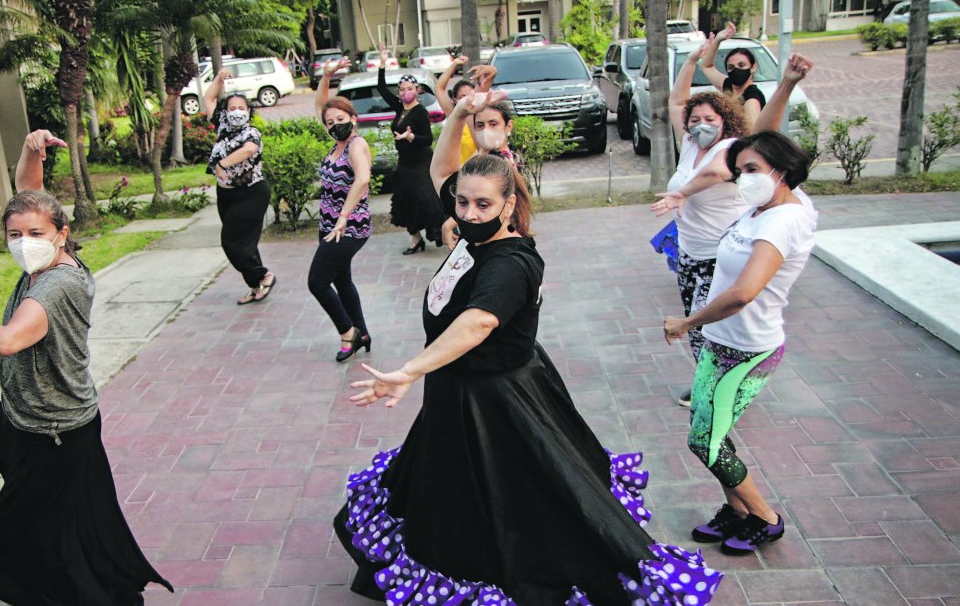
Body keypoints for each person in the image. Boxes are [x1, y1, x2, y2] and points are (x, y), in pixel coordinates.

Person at [332, 90, 723, 605]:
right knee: (460, 490)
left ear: (509, 205)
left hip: (496, 401)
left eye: (483, 204)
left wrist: (410, 370)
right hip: (457, 393)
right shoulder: (472, 233)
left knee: (520, 499)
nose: (468, 212)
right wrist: (459, 113)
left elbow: (478, 322)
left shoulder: (511, 262)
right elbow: (442, 168)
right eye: (462, 202)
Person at [0, 130, 172, 604]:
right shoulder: (54, 259)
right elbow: (29, 195)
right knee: (67, 526)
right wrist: (29, 149)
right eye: (15, 235)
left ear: (61, 233)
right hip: (39, 422)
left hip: (54, 432)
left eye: (35, 235)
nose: (24, 243)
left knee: (0, 554)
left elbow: (9, 340)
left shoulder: (56, 286)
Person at [662, 129, 818, 556]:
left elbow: (743, 293)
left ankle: (765, 518)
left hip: (746, 350)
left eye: (752, 169)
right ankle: (736, 510)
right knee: (710, 432)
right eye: (739, 170)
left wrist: (687, 323)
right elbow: (764, 131)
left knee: (704, 441)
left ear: (781, 170)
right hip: (720, 342)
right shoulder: (761, 208)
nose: (743, 178)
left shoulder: (784, 220)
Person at [651, 50, 813, 408]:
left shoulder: (729, 150)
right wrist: (691, 61)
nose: (701, 125)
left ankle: (712, 389)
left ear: (725, 121)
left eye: (709, 118)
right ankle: (708, 382)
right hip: (690, 251)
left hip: (719, 254)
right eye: (695, 119)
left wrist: (681, 193)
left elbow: (721, 169)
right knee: (698, 322)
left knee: (703, 324)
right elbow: (676, 101)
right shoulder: (690, 143)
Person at [313, 58, 374, 362]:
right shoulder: (336, 143)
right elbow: (320, 106)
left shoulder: (355, 145)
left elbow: (362, 179)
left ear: (353, 118)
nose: (335, 124)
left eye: (340, 118)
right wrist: (326, 76)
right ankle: (362, 333)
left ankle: (347, 331)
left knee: (317, 282)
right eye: (330, 122)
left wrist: (342, 218)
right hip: (329, 224)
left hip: (348, 226)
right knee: (341, 281)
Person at [204, 68, 275, 305]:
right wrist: (219, 78)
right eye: (232, 108)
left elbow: (249, 150)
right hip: (226, 195)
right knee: (246, 244)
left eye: (241, 108)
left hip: (251, 193)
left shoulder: (251, 132)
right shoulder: (222, 127)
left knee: (231, 242)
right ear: (226, 112)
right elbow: (209, 99)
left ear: (249, 111)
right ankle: (256, 286)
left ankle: (264, 275)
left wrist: (222, 163)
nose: (237, 112)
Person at [376, 46, 445, 254]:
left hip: (421, 164)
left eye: (409, 88)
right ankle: (416, 239)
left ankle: (445, 232)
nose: (406, 92)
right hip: (404, 164)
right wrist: (382, 63)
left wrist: (411, 137)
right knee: (406, 202)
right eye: (402, 89)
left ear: (417, 90)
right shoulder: (399, 108)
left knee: (428, 201)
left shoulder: (420, 112)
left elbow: (428, 139)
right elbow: (381, 88)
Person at [435, 59, 500, 248]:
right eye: (462, 96)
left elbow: (488, 79)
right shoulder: (455, 117)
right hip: (456, 177)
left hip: (478, 174)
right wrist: (454, 63)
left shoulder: (476, 119)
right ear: (455, 101)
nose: (467, 99)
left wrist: (491, 70)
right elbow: (439, 88)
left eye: (470, 94)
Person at [701, 21, 766, 128]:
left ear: (753, 67)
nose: (736, 70)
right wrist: (717, 40)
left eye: (741, 65)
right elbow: (707, 67)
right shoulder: (729, 86)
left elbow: (751, 131)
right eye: (731, 67)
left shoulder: (752, 97)